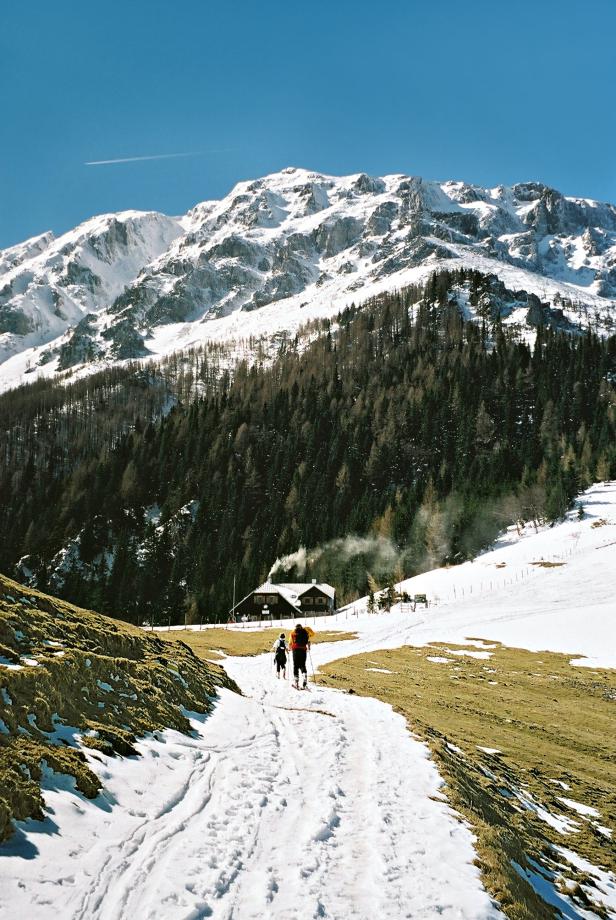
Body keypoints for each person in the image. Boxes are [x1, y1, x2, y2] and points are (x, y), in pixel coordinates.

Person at [289, 623, 313, 689]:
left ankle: (296, 682)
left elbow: (290, 642)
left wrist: (289, 648)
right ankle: (304, 675)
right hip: (303, 650)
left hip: (295, 650)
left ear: (295, 628)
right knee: (302, 665)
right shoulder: (305, 632)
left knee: (296, 666)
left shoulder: (293, 633)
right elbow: (312, 634)